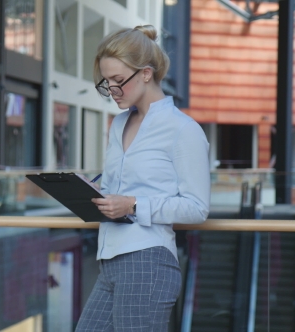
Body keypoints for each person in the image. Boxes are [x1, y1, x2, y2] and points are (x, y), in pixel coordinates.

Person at [75, 25, 210, 331]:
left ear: (146, 74)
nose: (112, 91)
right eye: (106, 82)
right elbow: (116, 188)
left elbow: (197, 208)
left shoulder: (183, 130)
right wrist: (93, 190)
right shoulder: (119, 124)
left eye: (119, 81)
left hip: (147, 260)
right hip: (109, 258)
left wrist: (134, 205)